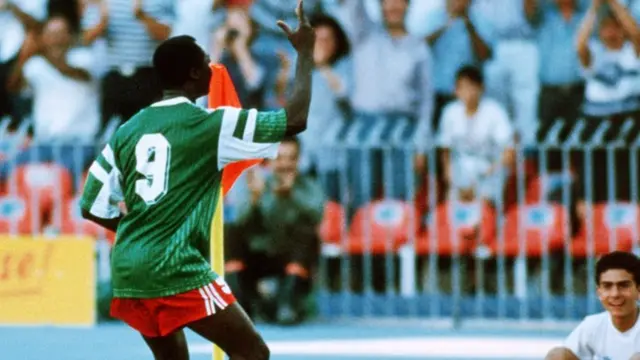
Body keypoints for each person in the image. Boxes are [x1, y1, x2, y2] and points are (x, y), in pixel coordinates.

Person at [78, 1, 315, 359]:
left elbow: (90, 203)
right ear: (192, 74)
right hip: (174, 267)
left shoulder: (128, 129)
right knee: (253, 353)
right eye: (206, 61)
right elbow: (294, 119)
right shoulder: (210, 125)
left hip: (128, 268)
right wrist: (306, 54)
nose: (212, 66)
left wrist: (138, 230)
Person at [545, 251, 640, 360]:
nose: (615, 294)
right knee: (557, 355)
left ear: (638, 289)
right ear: (599, 292)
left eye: (623, 286)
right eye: (607, 286)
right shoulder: (593, 325)